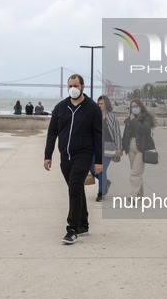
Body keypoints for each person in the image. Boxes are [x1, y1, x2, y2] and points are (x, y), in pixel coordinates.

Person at [44, 74, 102, 245]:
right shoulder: (60, 107)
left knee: (74, 187)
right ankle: (83, 224)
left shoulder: (92, 108)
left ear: (83, 86)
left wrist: (98, 160)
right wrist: (48, 155)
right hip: (65, 156)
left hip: (83, 155)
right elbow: (52, 132)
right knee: (75, 188)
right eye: (70, 86)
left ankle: (72, 229)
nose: (72, 89)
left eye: (76, 85)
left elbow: (98, 135)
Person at [122, 98, 156, 199]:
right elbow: (125, 134)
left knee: (135, 172)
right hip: (131, 147)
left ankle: (132, 195)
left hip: (142, 147)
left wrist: (134, 121)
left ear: (140, 107)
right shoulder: (129, 118)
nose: (134, 109)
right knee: (137, 171)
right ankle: (140, 194)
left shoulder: (146, 118)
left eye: (136, 106)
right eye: (132, 107)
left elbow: (144, 130)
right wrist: (122, 147)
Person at [91, 95, 122, 202]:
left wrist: (119, 148)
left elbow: (117, 133)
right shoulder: (94, 116)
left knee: (101, 170)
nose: (99, 105)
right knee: (92, 168)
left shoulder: (112, 117)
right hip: (96, 147)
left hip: (109, 147)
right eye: (98, 103)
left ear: (106, 105)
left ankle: (101, 193)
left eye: (101, 103)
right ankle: (105, 183)